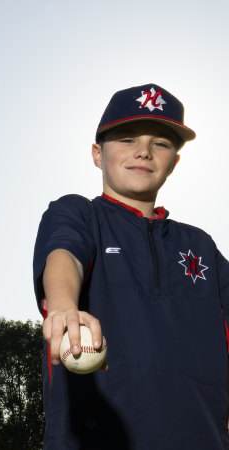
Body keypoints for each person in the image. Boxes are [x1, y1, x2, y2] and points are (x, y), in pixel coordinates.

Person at [33, 83, 229, 448]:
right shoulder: (79, 213)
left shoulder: (200, 245)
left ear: (175, 161)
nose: (143, 152)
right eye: (126, 139)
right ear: (97, 153)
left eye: (161, 143)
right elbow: (64, 255)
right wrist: (62, 305)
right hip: (92, 439)